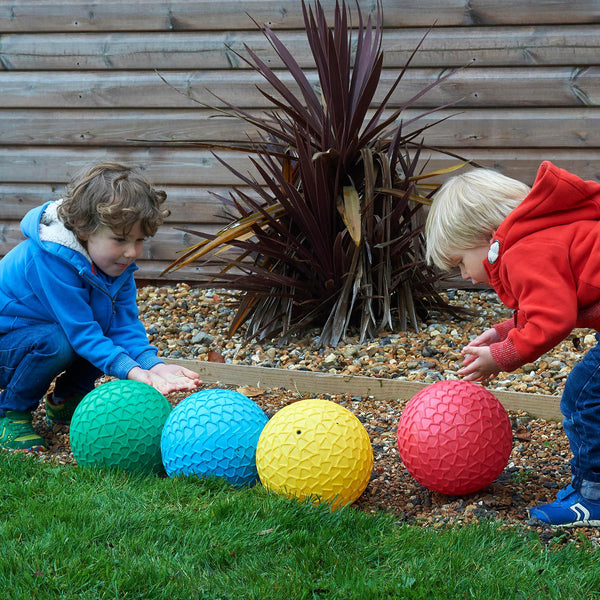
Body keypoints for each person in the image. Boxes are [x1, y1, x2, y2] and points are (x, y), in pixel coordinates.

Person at [425, 160, 600, 527]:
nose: (466, 277)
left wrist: (501, 357)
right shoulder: (543, 236)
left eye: (460, 262)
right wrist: (504, 332)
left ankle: (592, 498)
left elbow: (554, 319)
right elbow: (552, 300)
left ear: (488, 238)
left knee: (583, 396)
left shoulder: (522, 251)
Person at [0, 162, 201, 452]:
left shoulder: (117, 266)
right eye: (120, 239)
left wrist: (153, 365)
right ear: (83, 229)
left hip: (38, 335)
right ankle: (11, 413)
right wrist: (133, 371)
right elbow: (82, 333)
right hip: (7, 344)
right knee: (59, 342)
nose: (131, 252)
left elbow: (125, 326)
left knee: (98, 331)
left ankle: (66, 401)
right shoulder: (51, 259)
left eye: (139, 240)